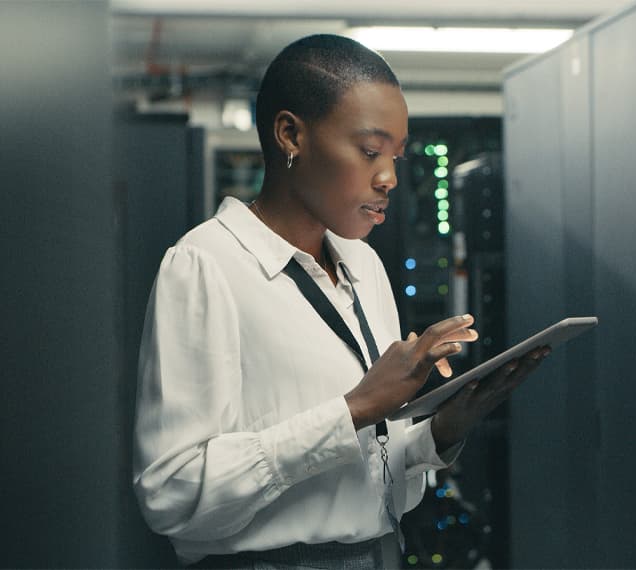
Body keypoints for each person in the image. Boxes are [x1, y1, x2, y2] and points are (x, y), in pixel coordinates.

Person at [132, 33, 549, 569]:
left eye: (396, 157)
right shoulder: (205, 265)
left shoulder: (363, 265)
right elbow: (171, 493)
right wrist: (353, 410)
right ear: (291, 135)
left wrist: (440, 432)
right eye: (370, 151)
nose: (389, 178)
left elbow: (369, 477)